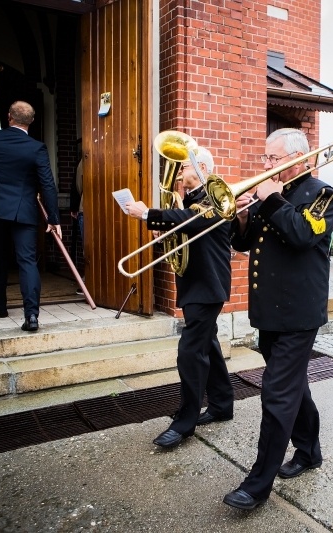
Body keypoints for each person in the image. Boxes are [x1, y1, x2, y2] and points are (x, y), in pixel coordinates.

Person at [223, 128, 333, 510]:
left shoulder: (321, 193)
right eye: (266, 159)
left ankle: (257, 486)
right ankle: (308, 450)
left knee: (276, 394)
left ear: (301, 159)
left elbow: (303, 234)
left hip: (298, 314)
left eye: (273, 159)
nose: (267, 166)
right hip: (269, 312)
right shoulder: (270, 193)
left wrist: (269, 198)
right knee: (292, 387)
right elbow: (242, 242)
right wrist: (240, 217)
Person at [125, 146, 234, 449]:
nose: (177, 172)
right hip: (196, 284)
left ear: (199, 166)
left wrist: (147, 214)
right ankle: (223, 404)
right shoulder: (192, 198)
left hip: (207, 285)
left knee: (190, 352)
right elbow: (184, 225)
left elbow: (191, 220)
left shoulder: (215, 196)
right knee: (207, 344)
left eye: (182, 166)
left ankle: (184, 422)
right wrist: (170, 216)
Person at [0, 100, 62, 332]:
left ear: (9, 117)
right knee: (27, 261)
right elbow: (48, 185)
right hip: (23, 209)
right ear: (31, 122)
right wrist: (54, 219)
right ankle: (31, 315)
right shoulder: (36, 148)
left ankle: (0, 305)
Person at [69, 157, 85, 295]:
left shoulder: (83, 161)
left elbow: (78, 185)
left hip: (85, 208)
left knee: (88, 249)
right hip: (86, 209)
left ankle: (88, 281)